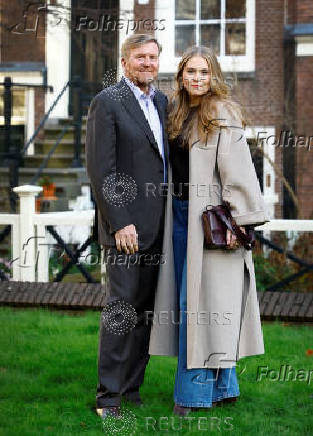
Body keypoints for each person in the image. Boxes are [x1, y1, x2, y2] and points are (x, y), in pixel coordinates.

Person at [148, 46, 270, 416]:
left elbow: (239, 172)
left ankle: (191, 395)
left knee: (199, 307)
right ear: (181, 76)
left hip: (213, 222)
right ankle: (224, 386)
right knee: (206, 304)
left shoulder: (222, 113)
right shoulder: (176, 112)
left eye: (204, 72)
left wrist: (239, 221)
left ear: (213, 75)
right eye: (190, 72)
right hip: (180, 216)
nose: (197, 78)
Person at [85, 34, 169, 418]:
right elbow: (102, 170)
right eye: (140, 57)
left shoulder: (163, 103)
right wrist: (121, 222)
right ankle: (108, 398)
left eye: (153, 57)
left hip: (160, 228)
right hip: (127, 231)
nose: (147, 63)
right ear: (124, 62)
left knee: (147, 313)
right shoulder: (108, 103)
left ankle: (132, 389)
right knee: (121, 310)